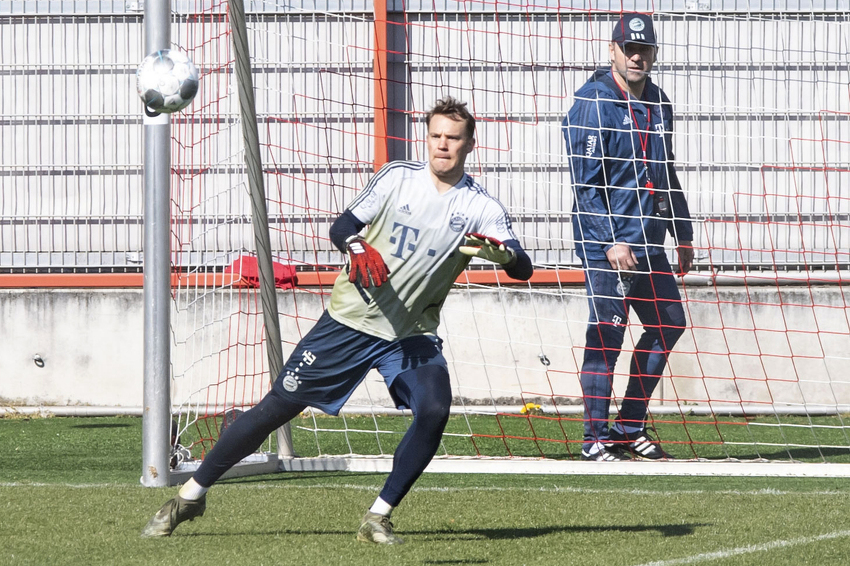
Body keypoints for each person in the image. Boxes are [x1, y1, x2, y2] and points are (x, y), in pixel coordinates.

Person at [141, 96, 533, 543]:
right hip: (350, 322)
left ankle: (377, 516)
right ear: (427, 138)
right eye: (436, 136)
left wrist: (506, 256)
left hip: (410, 335)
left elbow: (522, 266)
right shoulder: (398, 179)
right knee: (276, 408)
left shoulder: (480, 206)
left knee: (435, 409)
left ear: (470, 144)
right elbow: (342, 226)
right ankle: (190, 496)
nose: (443, 146)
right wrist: (356, 246)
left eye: (453, 138)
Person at [561, 13, 694, 462]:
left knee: (668, 322)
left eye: (645, 50)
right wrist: (610, 241)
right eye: (629, 48)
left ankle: (627, 427)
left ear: (654, 54)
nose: (637, 56)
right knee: (607, 336)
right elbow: (585, 187)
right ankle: (593, 438)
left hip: (650, 241)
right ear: (612, 50)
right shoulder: (591, 104)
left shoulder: (658, 101)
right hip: (609, 246)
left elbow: (666, 170)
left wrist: (683, 231)